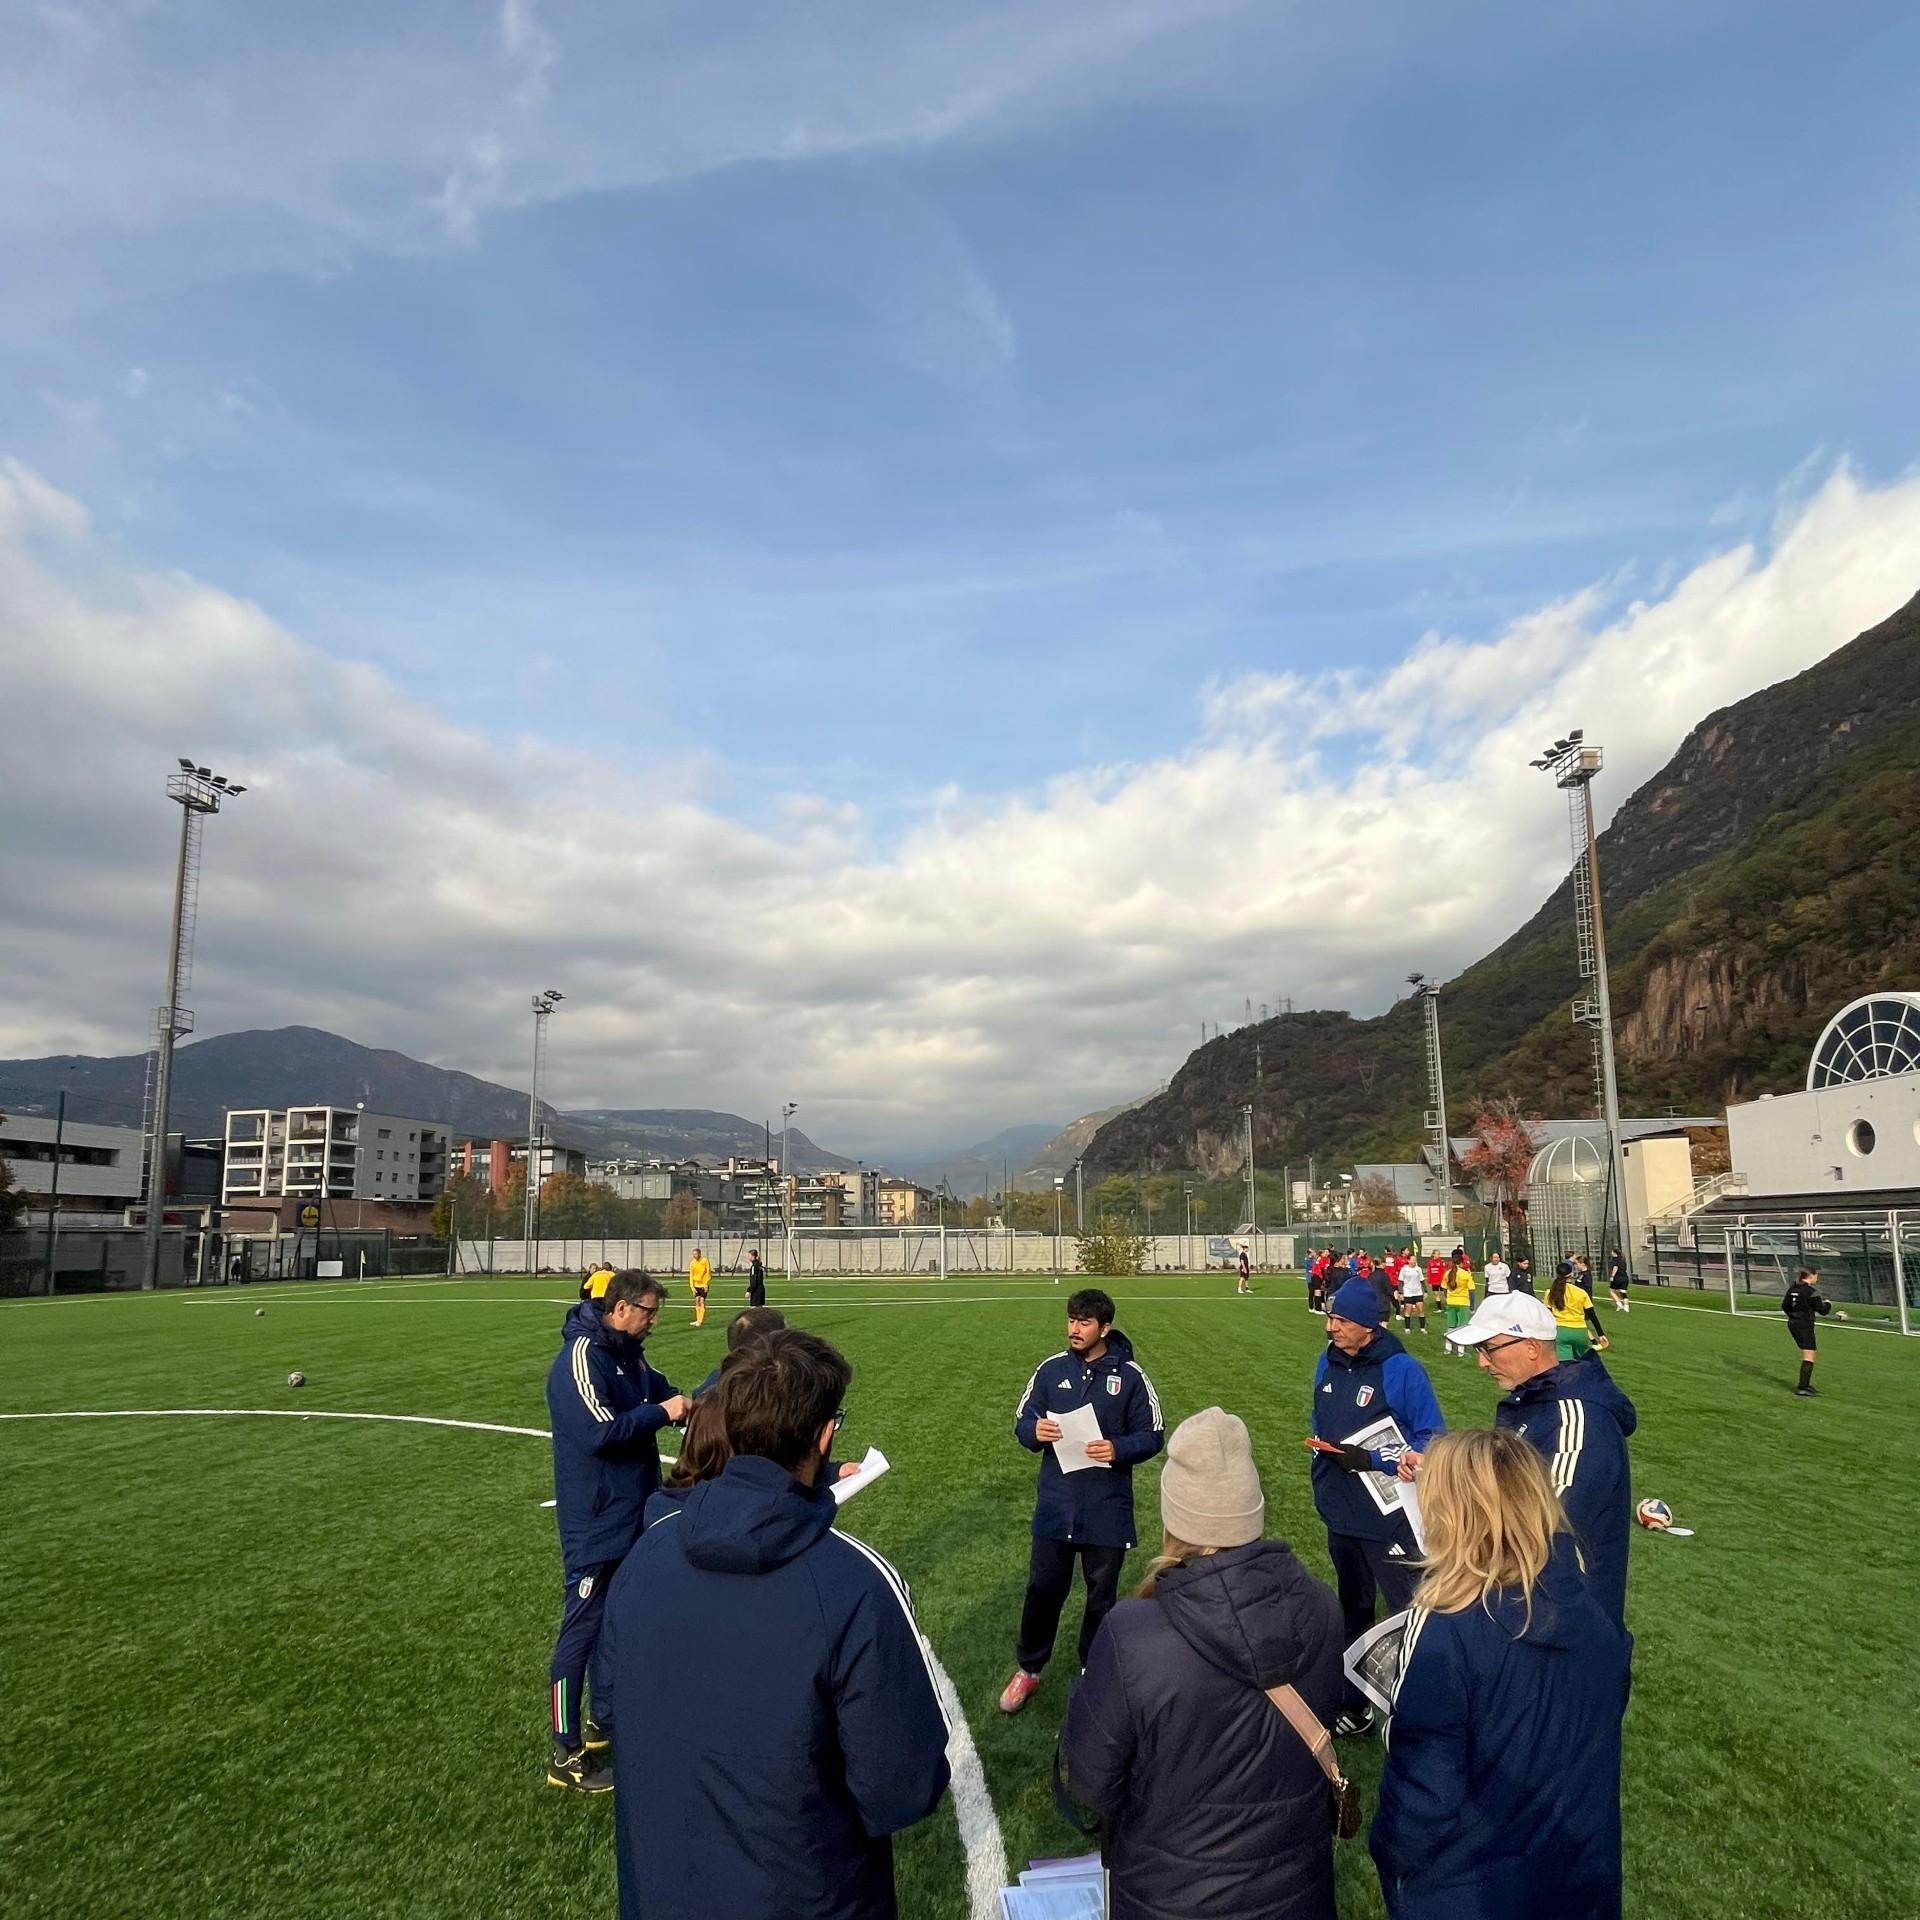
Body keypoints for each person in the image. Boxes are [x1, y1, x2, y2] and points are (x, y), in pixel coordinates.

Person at [602, 1329, 951, 1920]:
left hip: (659, 1892)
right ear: (823, 1434)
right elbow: (901, 1792)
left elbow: (611, 1711)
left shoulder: (645, 1555)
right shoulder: (855, 1585)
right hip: (810, 1897)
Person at [1060, 1409, 1346, 1920]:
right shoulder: (1323, 1605)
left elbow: (1091, 1782)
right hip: (1297, 1891)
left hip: (1171, 1895)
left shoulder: (1133, 1636)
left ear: (1174, 1516)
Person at [1370, 1430, 1631, 1920]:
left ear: (1453, 1515)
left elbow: (1420, 1801)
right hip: (1579, 1879)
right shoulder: (1594, 1612)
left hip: (1469, 1891)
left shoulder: (1447, 1629)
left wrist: (1390, 1854)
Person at [544, 1270, 690, 1792]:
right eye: (649, 1311)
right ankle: (564, 1752)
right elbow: (598, 1434)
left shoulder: (631, 1353)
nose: (653, 1321)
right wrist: (662, 1412)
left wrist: (694, 1406)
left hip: (634, 1510)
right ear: (622, 1307)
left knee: (620, 1620)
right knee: (580, 1631)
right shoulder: (582, 1357)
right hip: (595, 1519)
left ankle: (605, 1721)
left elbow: (664, 1394)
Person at [1001, 1287, 1167, 1713]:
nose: (1075, 1329)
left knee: (1101, 1595)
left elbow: (1152, 1435)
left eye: (1084, 1322)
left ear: (1105, 1328)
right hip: (1057, 1506)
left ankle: (1094, 1673)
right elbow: (1024, 1419)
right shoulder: (1051, 1370)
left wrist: (1117, 1449)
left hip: (1105, 1509)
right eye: (1071, 1319)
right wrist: (1032, 1433)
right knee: (1042, 1590)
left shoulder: (1130, 1377)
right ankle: (1029, 1669)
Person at [1451, 1291, 1639, 1627]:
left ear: (1532, 1348)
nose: (1482, 1362)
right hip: (1528, 1607)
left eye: (1488, 1349)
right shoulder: (1533, 1402)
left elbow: (1546, 1522)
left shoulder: (1574, 1418)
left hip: (1565, 1621)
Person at [1308, 1277, 1445, 1736]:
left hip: (1390, 1519)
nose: (1332, 1328)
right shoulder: (1324, 1366)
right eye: (1330, 1318)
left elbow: (1433, 1440)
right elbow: (1320, 1424)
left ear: (1370, 1325)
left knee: (1410, 1612)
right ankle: (1357, 1705)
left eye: (1341, 1320)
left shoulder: (1402, 1370)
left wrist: (1378, 1459)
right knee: (1352, 1609)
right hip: (1341, 1514)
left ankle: (1425, 1708)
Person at [1783, 1266, 1833, 1397]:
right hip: (1804, 1325)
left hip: (1793, 1323)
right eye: (1816, 1276)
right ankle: (1802, 1387)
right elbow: (1823, 1310)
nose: (1817, 1278)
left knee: (1808, 1353)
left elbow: (1785, 1306)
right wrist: (1828, 1303)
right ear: (1811, 1276)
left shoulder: (1792, 1289)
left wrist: (1793, 1315)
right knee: (1809, 1355)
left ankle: (1805, 1385)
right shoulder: (1812, 1292)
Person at [1547, 1262, 1608, 1363]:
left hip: (1560, 1331)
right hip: (1579, 1331)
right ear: (1570, 1275)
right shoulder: (1581, 1292)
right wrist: (1601, 1334)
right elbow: (1592, 1315)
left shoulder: (1551, 1293)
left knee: (1564, 1365)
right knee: (1583, 1363)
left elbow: (1547, 1314)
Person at [1441, 1250, 1475, 1356]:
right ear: (1461, 1263)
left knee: (1451, 1326)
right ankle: (1461, 1351)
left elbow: (1444, 1288)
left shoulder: (1447, 1273)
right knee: (1462, 1327)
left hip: (1451, 1302)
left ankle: (1448, 1348)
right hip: (1463, 1302)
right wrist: (1472, 1306)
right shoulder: (1466, 1274)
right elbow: (1472, 1290)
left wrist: (1447, 1298)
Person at [1396, 1255, 1428, 1335]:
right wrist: (1401, 1292)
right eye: (1413, 1260)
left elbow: (1422, 1280)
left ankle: (1422, 1328)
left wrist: (1426, 1291)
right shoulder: (1404, 1269)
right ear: (1408, 1261)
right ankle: (1407, 1328)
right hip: (1408, 1292)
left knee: (1420, 1310)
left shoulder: (1418, 1269)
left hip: (1418, 1292)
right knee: (1408, 1310)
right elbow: (1400, 1282)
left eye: (1415, 1260)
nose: (1414, 1261)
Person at [688, 1244, 712, 1327]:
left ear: (699, 1254)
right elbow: (691, 1276)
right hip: (696, 1285)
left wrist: (706, 1284)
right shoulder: (692, 1263)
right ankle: (697, 1319)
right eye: (693, 1254)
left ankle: (700, 1321)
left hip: (703, 1285)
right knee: (697, 1300)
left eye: (696, 1254)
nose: (695, 1256)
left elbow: (708, 1272)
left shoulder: (705, 1261)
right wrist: (692, 1288)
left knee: (702, 1300)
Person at [1605, 1247, 1631, 1314]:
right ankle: (1626, 1307)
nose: (1611, 1253)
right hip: (1625, 1278)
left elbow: (1615, 1267)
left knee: (1611, 1290)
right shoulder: (1623, 1260)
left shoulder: (1614, 1260)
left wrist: (1612, 1276)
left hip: (1617, 1278)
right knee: (1623, 1292)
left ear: (1614, 1253)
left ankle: (1619, 1304)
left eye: (1612, 1252)